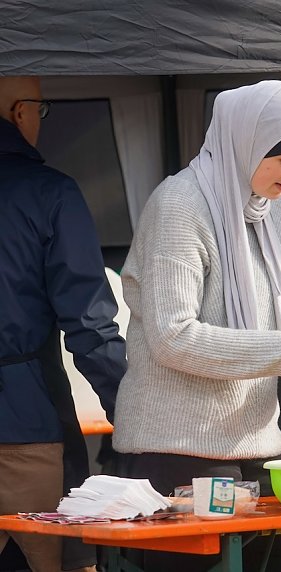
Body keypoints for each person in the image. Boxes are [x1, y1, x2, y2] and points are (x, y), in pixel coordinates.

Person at [111, 80, 281, 571]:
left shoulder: (266, 208)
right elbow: (173, 337)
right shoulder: (179, 206)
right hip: (180, 454)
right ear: (245, 143)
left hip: (255, 449)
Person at [0, 76, 127, 572]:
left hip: (25, 418)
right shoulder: (49, 193)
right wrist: (135, 415)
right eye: (38, 108)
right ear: (18, 113)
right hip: (26, 428)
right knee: (43, 559)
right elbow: (90, 324)